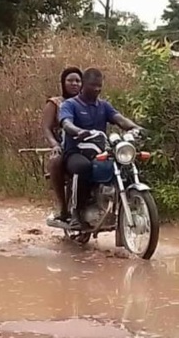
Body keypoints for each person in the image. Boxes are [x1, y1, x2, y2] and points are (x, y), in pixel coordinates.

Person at [59, 68, 145, 230]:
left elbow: (120, 119)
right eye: (93, 85)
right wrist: (77, 131)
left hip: (98, 151)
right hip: (76, 152)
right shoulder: (70, 105)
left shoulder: (103, 106)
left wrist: (136, 128)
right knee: (82, 167)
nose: (97, 89)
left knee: (122, 165)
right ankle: (75, 212)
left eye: (99, 85)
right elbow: (66, 123)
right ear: (84, 85)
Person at [43, 67, 83, 223]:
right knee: (56, 162)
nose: (74, 84)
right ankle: (63, 206)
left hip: (84, 145)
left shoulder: (86, 103)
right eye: (70, 80)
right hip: (61, 145)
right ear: (63, 83)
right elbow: (46, 128)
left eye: (78, 81)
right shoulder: (55, 103)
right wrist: (54, 144)